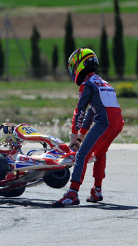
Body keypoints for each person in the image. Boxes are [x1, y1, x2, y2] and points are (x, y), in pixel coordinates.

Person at [52, 48, 125, 207]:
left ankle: (72, 193)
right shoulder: (102, 82)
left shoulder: (87, 84)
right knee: (100, 152)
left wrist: (73, 135)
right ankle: (96, 190)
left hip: (105, 123)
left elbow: (80, 110)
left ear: (79, 65)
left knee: (82, 155)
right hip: (117, 123)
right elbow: (92, 113)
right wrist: (81, 135)